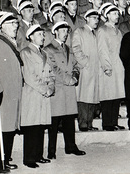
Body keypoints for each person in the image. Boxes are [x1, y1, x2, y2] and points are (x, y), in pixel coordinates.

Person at [45, 21, 86, 159]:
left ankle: (71, 147)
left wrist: (75, 75)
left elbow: (75, 65)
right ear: (56, 31)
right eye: (63, 31)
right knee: (54, 123)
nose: (66, 34)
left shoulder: (68, 48)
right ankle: (51, 151)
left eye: (67, 31)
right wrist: (68, 79)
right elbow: (53, 68)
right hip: (58, 89)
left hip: (68, 91)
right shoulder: (49, 49)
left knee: (69, 120)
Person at [20, 24, 54, 168]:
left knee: (41, 126)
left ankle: (39, 155)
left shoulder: (45, 53)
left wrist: (51, 87)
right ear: (31, 36)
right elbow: (29, 76)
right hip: (33, 94)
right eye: (40, 34)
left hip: (44, 95)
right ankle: (29, 158)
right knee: (32, 127)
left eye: (43, 34)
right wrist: (44, 89)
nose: (43, 37)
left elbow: (51, 74)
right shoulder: (25, 52)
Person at [0, 12, 23, 173]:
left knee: (9, 129)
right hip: (1, 94)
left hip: (12, 94)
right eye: (12, 24)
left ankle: (6, 159)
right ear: (2, 26)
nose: (15, 27)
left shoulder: (11, 42)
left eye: (16, 24)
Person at [97, 5, 125, 131]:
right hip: (108, 66)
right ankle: (107, 123)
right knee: (108, 95)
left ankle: (114, 121)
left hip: (118, 66)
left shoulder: (118, 31)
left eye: (117, 13)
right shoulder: (102, 30)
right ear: (107, 15)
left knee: (117, 95)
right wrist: (106, 66)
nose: (117, 15)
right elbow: (102, 50)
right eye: (114, 13)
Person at [71, 9, 101, 132]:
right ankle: (83, 123)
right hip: (85, 69)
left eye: (98, 18)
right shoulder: (80, 31)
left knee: (93, 97)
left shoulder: (97, 33)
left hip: (95, 69)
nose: (96, 20)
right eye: (94, 18)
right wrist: (85, 62)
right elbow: (76, 49)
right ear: (87, 18)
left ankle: (89, 123)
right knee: (84, 97)